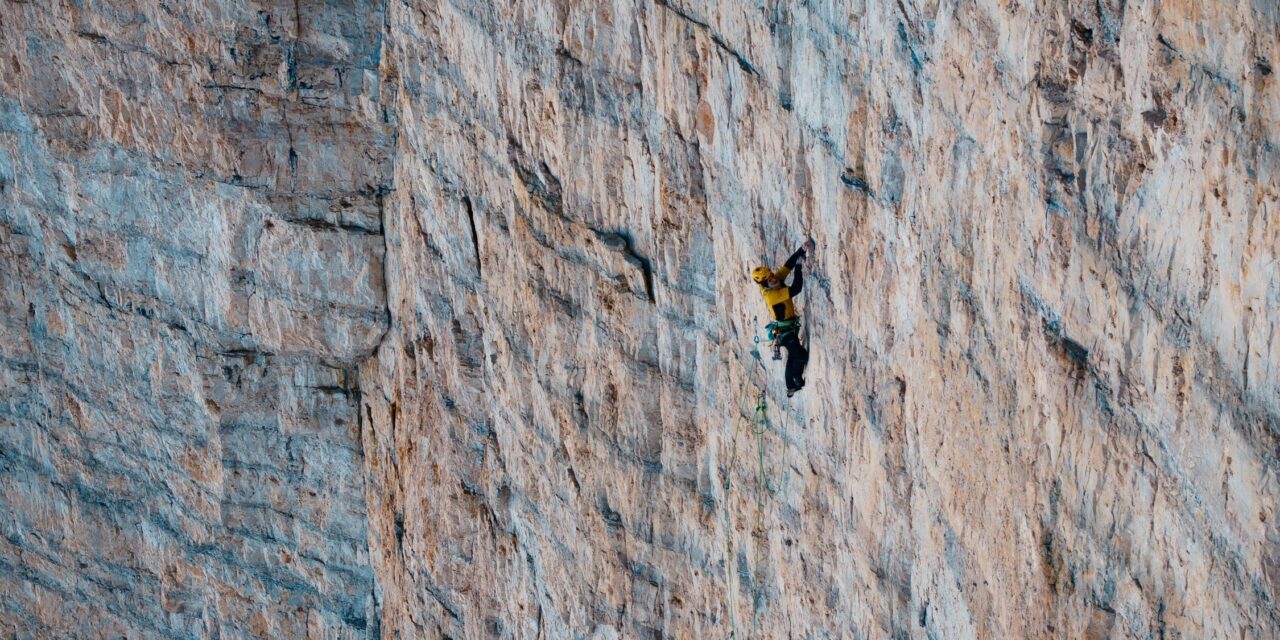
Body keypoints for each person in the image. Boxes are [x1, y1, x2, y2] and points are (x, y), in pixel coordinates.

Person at [751, 238, 815, 397]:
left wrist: (802, 250)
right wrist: (799, 267)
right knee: (800, 356)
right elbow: (796, 288)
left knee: (795, 355)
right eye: (769, 279)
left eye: (772, 276)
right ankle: (796, 380)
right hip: (785, 333)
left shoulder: (774, 280)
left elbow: (787, 265)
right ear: (763, 284)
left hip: (787, 329)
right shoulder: (771, 295)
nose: (773, 279)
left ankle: (791, 386)